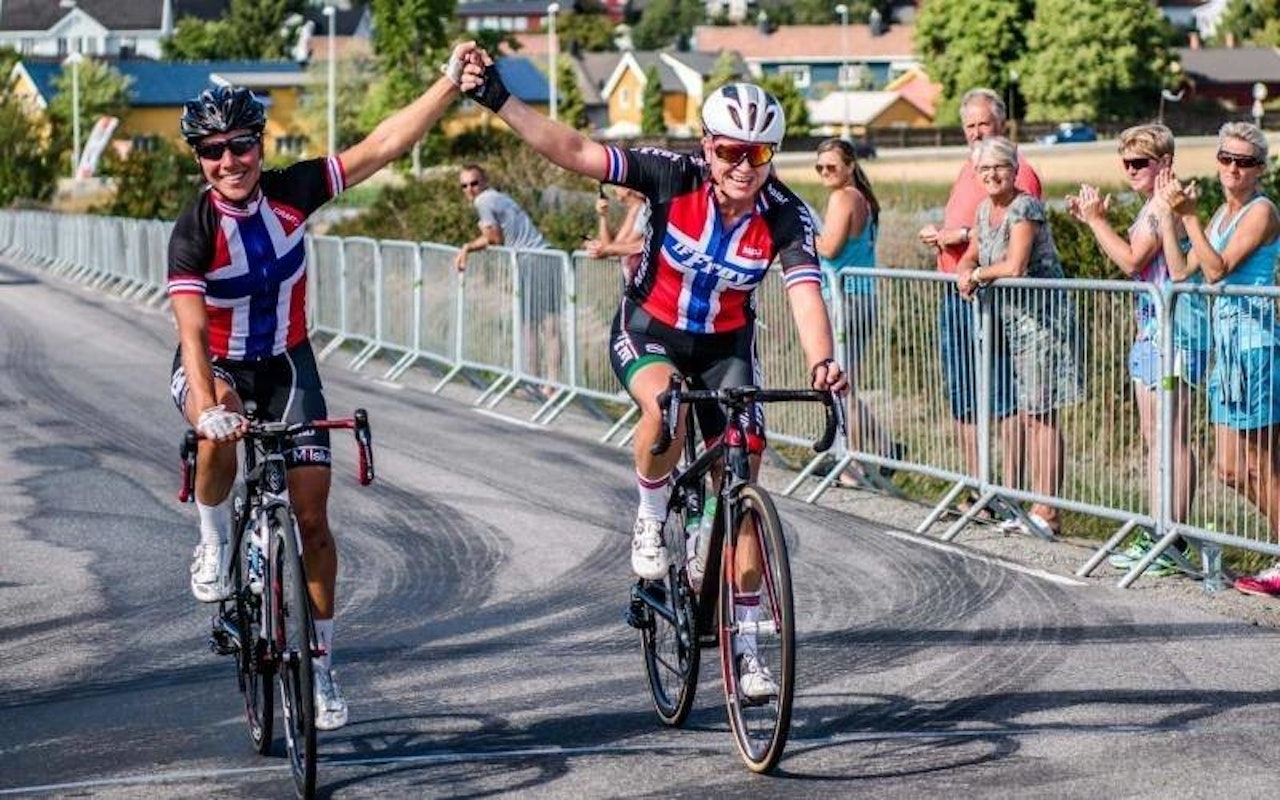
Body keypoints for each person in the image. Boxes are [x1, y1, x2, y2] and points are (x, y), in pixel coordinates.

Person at [458, 48, 847, 699]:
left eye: (757, 155)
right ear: (706, 145)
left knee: (746, 480)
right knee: (666, 403)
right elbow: (578, 151)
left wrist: (822, 360)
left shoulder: (783, 212)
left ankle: (747, 647)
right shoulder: (671, 175)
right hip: (649, 331)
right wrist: (501, 100)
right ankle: (649, 513)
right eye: (728, 151)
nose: (741, 167)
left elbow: (805, 289)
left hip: (726, 346)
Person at [167, 46, 474, 731]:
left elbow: (384, 145)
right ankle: (214, 543)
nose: (228, 162)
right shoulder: (194, 229)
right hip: (216, 360)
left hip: (286, 359)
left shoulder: (292, 190)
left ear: (258, 145)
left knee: (311, 520)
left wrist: (448, 82)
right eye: (212, 151)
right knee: (213, 424)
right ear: (199, 158)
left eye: (240, 146)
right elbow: (190, 330)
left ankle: (322, 667)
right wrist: (212, 409)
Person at [1067, 123, 1205, 575]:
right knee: (1153, 438)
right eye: (1124, 162)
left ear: (1163, 163)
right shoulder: (1152, 205)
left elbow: (1131, 259)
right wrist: (1090, 222)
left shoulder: (1165, 205)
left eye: (1139, 162)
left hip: (1174, 334)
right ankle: (1157, 527)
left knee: (1172, 437)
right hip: (1149, 333)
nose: (1130, 170)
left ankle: (1174, 536)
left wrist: (1097, 222)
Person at [1156, 121, 1280, 596]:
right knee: (1228, 469)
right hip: (1225, 352)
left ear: (1259, 170)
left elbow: (1217, 270)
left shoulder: (1261, 211)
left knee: (1260, 464)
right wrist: (1169, 217)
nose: (1233, 167)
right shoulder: (1219, 216)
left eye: (1244, 161)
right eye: (1226, 158)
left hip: (1254, 346)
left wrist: (1189, 217)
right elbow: (1183, 270)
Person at [918, 89, 1040, 517]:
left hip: (994, 300)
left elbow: (1013, 228)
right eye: (969, 126)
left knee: (1003, 396)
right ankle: (977, 489)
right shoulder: (967, 169)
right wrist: (955, 243)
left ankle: (1008, 492)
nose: (975, 133)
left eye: (983, 124)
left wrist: (962, 239)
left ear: (1001, 124)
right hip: (959, 290)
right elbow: (975, 226)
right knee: (965, 396)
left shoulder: (1018, 171)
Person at [957, 136, 1082, 537]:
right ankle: (1035, 506)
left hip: (1044, 323)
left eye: (1000, 167)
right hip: (1014, 323)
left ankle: (1048, 509)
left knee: (1043, 415)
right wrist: (964, 267)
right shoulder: (982, 209)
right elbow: (973, 252)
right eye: (984, 169)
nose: (992, 175)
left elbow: (1015, 264)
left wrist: (976, 276)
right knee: (1029, 415)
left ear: (1014, 170)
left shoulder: (1024, 206)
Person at [812, 137, 901, 484]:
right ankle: (865, 452)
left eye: (831, 166)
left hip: (844, 298)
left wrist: (803, 238)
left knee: (837, 383)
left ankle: (858, 455)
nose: (824, 173)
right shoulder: (862, 197)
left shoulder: (843, 197)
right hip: (861, 298)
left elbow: (831, 248)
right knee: (845, 383)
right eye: (819, 167)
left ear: (850, 165)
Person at [455, 164, 561, 393]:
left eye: (474, 183)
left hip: (531, 259)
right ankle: (549, 384)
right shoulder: (498, 197)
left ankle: (537, 383)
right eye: (464, 185)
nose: (470, 189)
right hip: (544, 255)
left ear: (484, 182)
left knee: (533, 325)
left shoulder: (483, 201)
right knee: (545, 324)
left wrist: (467, 247)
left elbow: (494, 239)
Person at [584, 183, 649, 281]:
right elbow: (613, 245)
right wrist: (603, 216)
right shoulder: (633, 210)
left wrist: (604, 249)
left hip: (645, 283)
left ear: (627, 189)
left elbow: (622, 247)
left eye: (617, 185)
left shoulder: (644, 210)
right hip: (634, 282)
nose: (614, 188)